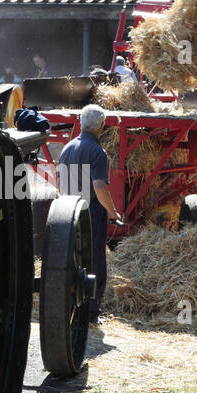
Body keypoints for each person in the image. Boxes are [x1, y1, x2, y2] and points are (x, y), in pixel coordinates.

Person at [56, 104, 123, 323]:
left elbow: (60, 183)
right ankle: (92, 313)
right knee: (94, 262)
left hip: (68, 208)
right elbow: (99, 187)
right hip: (91, 212)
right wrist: (112, 213)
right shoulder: (97, 152)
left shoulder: (67, 148)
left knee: (73, 260)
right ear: (101, 127)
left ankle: (72, 309)